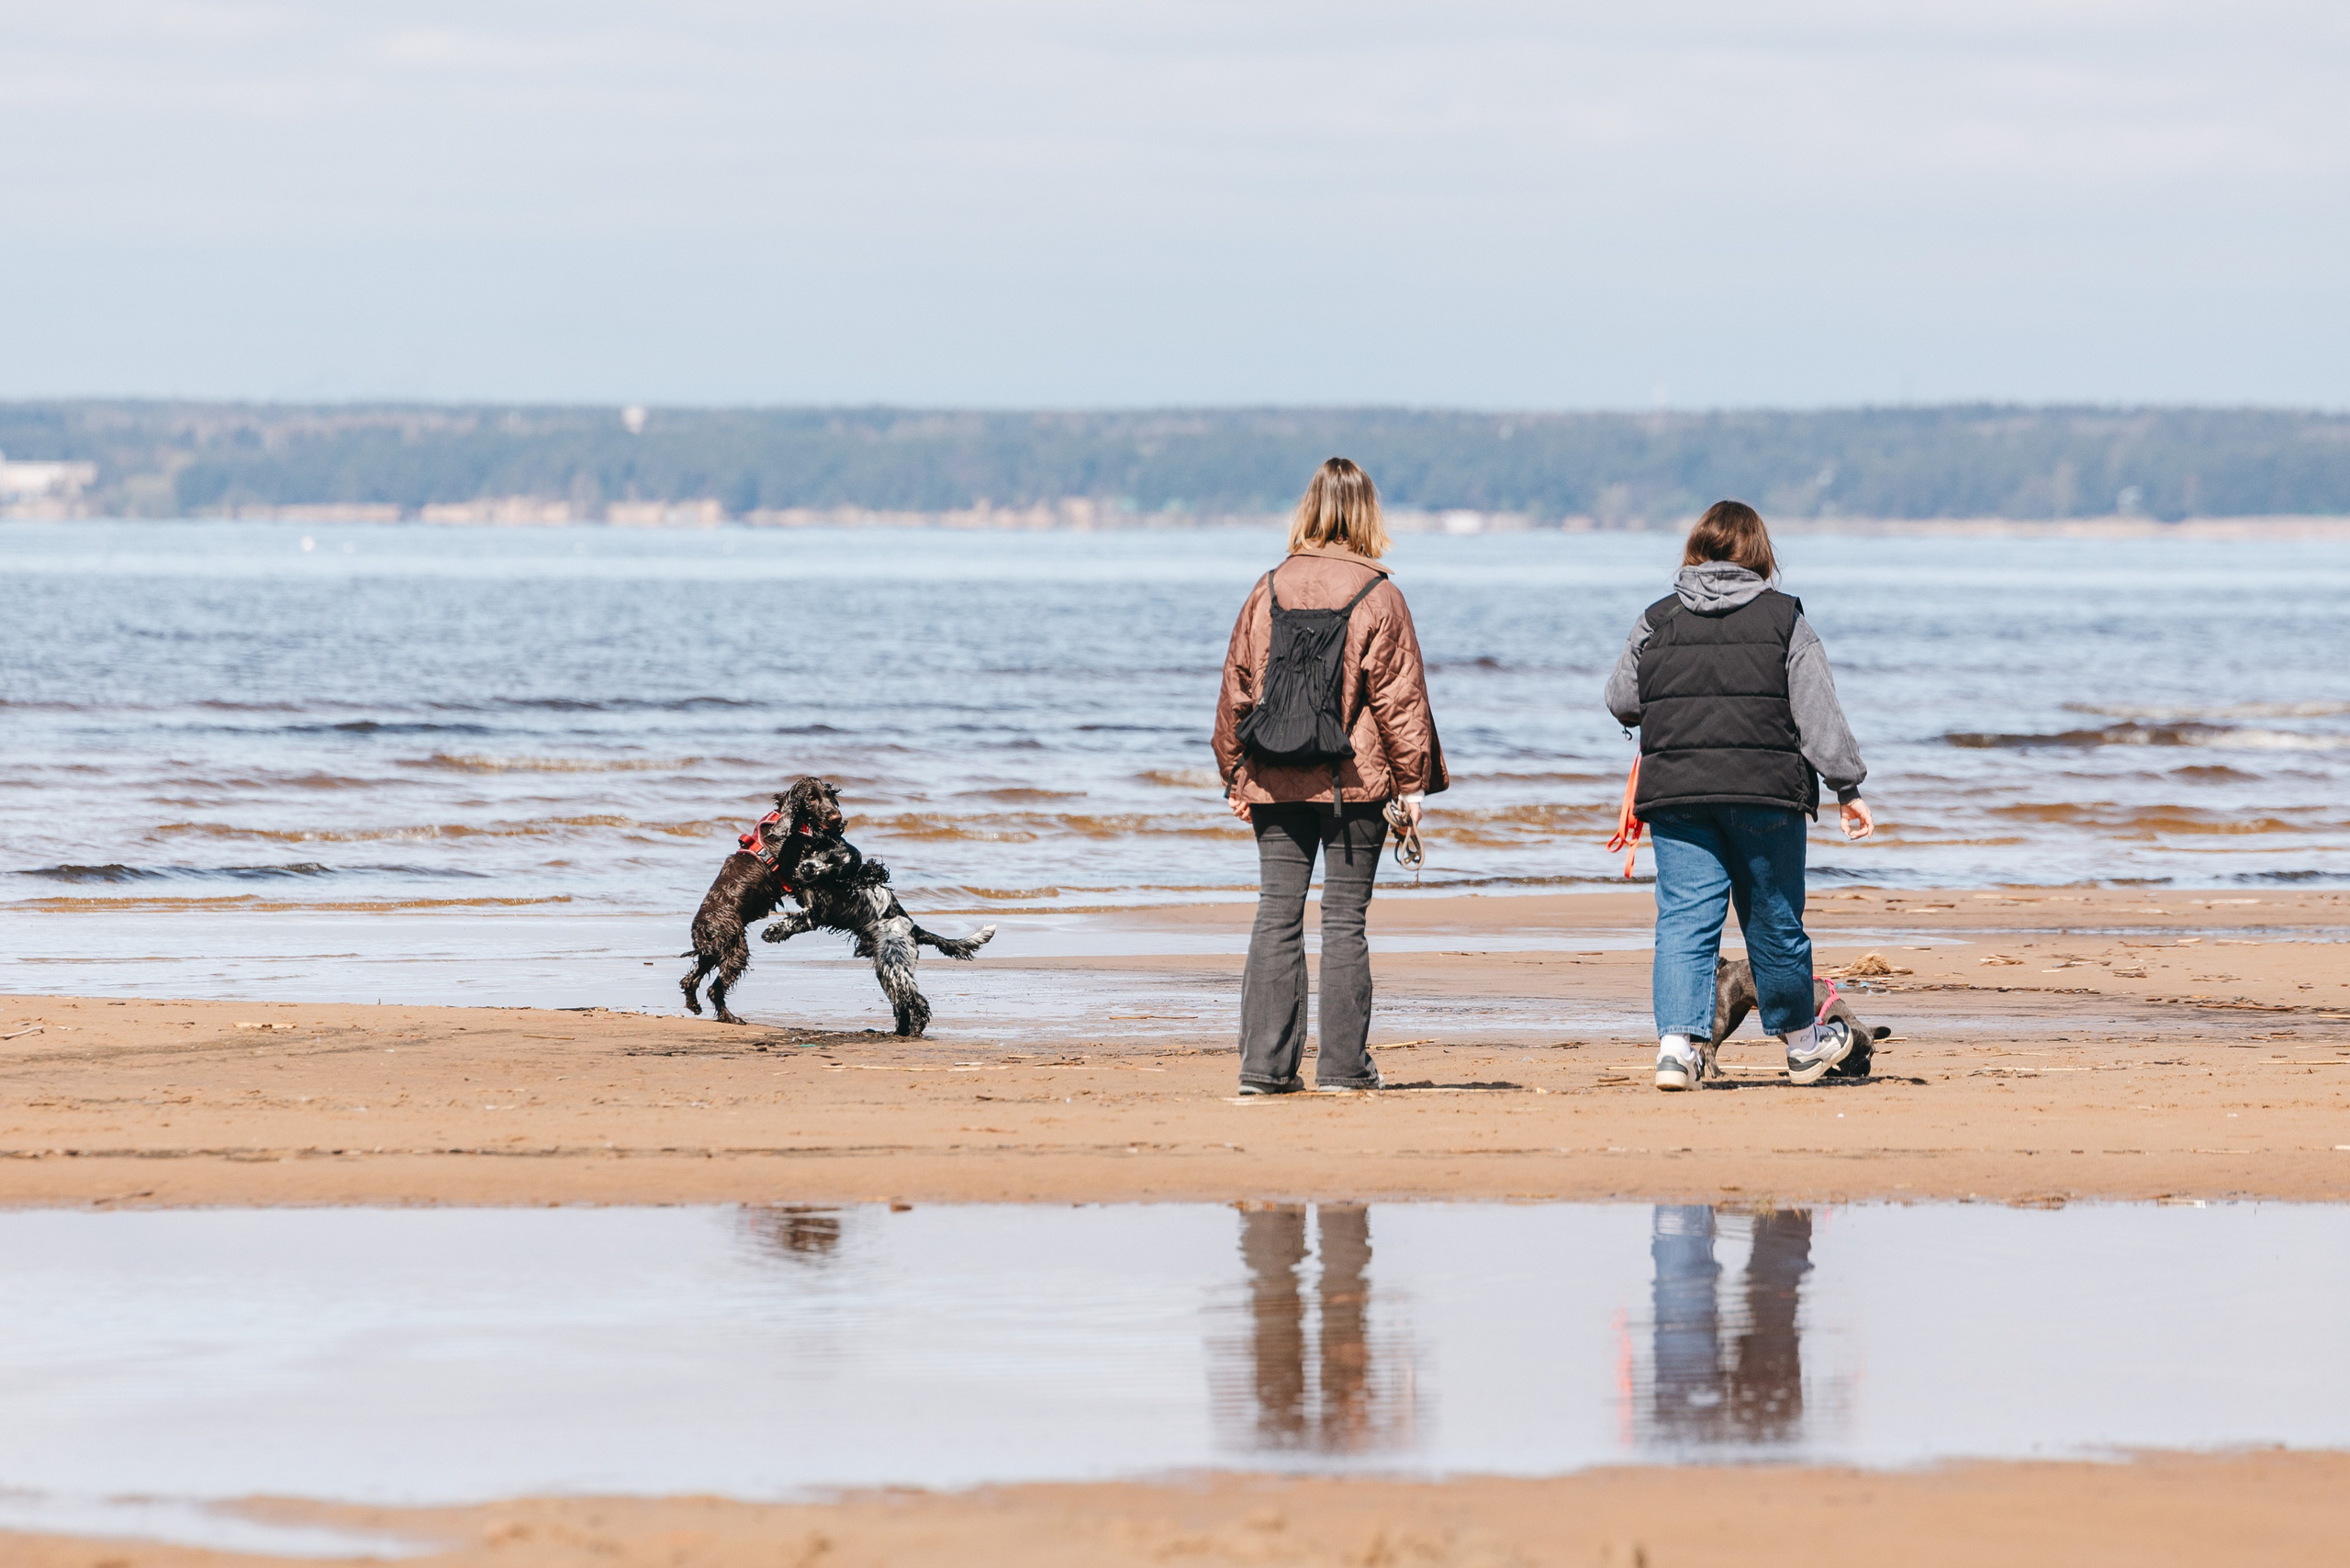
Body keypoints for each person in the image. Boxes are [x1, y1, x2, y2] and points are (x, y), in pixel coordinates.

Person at [1605, 500, 1873, 1092]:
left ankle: (1676, 1049)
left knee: (1683, 921)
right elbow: (1818, 714)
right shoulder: (1786, 620)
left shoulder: (1657, 617)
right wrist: (1847, 787)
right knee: (1775, 920)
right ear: (1760, 557)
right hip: (1767, 796)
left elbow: (1622, 698)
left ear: (1695, 552)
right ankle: (1803, 1046)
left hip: (1676, 792)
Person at [1214, 457, 1447, 1094]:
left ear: (1309, 510)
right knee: (1345, 919)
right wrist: (1412, 786)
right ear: (1368, 515)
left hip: (1275, 775)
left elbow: (1237, 688)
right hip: (1356, 784)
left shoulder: (1267, 588)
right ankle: (1344, 1069)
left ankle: (1264, 1069)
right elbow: (1399, 702)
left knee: (1276, 913)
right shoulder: (1380, 594)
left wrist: (1237, 773)